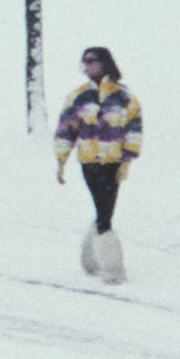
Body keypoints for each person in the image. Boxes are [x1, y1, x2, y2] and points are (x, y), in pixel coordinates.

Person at [55, 45, 144, 282]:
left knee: (105, 211)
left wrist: (128, 157)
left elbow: (134, 128)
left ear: (105, 62)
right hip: (89, 162)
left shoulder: (124, 97)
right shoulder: (78, 96)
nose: (87, 65)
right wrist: (61, 159)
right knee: (104, 213)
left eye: (92, 60)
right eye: (84, 61)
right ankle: (113, 269)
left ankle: (91, 258)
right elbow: (66, 129)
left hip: (113, 162)